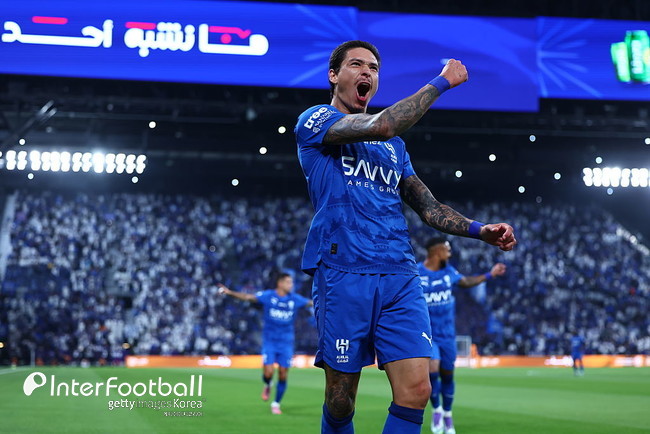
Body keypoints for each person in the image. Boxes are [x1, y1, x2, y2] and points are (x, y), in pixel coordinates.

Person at [294, 40, 517, 434]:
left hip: (400, 275)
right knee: (341, 400)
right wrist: (442, 82)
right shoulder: (316, 120)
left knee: (417, 390)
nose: (366, 72)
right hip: (344, 272)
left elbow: (428, 207)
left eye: (373, 68)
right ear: (333, 75)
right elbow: (383, 124)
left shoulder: (395, 149)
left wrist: (479, 230)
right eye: (356, 65)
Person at [419, 238, 506, 434]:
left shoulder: (449, 272)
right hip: (428, 335)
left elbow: (466, 282)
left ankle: (448, 414)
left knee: (447, 375)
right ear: (436, 252)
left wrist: (489, 274)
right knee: (433, 369)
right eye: (447, 249)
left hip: (448, 335)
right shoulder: (417, 274)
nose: (450, 253)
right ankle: (437, 410)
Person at [218, 273, 313, 415]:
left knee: (283, 374)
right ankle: (268, 383)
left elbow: (312, 302)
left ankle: (276, 404)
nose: (291, 285)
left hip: (286, 342)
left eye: (291, 282)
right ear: (280, 283)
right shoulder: (268, 296)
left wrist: (331, 297)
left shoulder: (295, 299)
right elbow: (248, 297)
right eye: (288, 282)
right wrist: (230, 293)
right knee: (268, 372)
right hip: (270, 341)